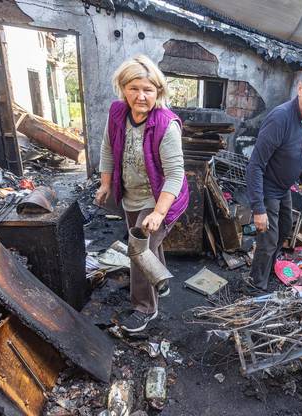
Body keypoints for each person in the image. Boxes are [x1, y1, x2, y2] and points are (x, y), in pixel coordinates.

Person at [95, 55, 189, 333]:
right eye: (134, 88)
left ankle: (144, 308)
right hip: (131, 195)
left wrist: (159, 213)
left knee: (138, 249)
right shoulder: (116, 114)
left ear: (158, 92)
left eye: (148, 89)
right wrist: (105, 184)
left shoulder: (166, 125)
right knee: (148, 245)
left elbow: (175, 175)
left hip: (162, 198)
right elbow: (107, 149)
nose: (141, 96)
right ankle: (160, 280)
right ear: (123, 88)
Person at [245, 65, 302, 291]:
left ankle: (267, 268)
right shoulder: (280, 119)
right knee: (268, 237)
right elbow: (255, 165)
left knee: (284, 229)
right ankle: (256, 285)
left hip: (284, 187)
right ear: (301, 88)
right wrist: (258, 209)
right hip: (267, 186)